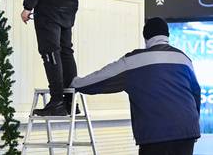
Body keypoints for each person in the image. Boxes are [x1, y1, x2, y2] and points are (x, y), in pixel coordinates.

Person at [71, 17, 201, 155]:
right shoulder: (184, 58)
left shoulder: (134, 60)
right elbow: (196, 93)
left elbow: (99, 79)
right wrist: (193, 123)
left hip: (157, 134)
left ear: (145, 37)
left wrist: (75, 83)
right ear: (167, 35)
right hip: (188, 130)